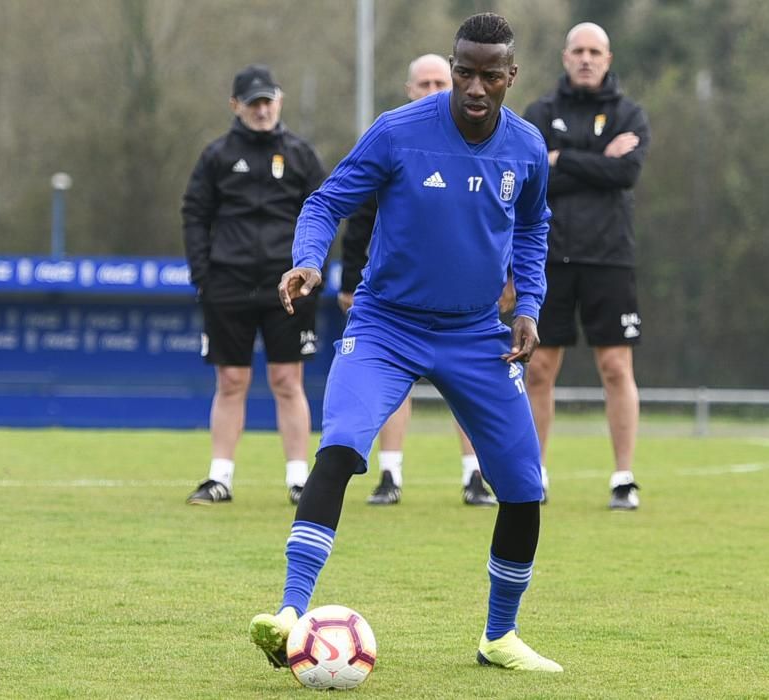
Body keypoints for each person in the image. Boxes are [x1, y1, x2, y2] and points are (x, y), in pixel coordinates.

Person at [249, 13, 562, 673]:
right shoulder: (398, 133)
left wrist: (528, 305)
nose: (475, 87)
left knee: (525, 488)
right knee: (338, 446)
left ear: (511, 77)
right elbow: (324, 204)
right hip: (386, 326)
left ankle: (498, 638)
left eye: (489, 74)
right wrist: (309, 260)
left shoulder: (528, 148)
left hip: (478, 335)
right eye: (464, 72)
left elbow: (534, 227)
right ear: (452, 69)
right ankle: (287, 614)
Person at [338, 53, 496, 508]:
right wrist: (351, 282)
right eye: (422, 83)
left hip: (464, 304)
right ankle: (390, 473)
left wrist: (509, 279)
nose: (431, 90)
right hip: (399, 303)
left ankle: (474, 476)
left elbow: (503, 224)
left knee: (468, 388)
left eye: (438, 82)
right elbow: (360, 217)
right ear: (409, 89)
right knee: (395, 387)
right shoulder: (393, 137)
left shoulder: (482, 144)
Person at [181, 64, 326, 506]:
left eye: (268, 101)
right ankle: (219, 477)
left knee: (287, 379)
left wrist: (312, 270)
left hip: (289, 287)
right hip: (229, 283)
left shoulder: (301, 155)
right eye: (253, 103)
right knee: (231, 379)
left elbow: (323, 212)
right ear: (236, 106)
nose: (262, 110)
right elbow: (194, 214)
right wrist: (204, 274)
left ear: (279, 100)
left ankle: (300, 479)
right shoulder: (217, 156)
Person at [522, 23, 649, 510]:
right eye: (578, 50)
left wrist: (564, 161)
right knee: (540, 369)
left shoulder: (630, 113)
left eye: (595, 51)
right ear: (564, 56)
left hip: (610, 258)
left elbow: (627, 173)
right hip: (548, 258)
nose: (586, 58)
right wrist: (595, 162)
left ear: (609, 57)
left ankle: (622, 477)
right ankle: (534, 475)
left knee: (616, 367)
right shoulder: (539, 113)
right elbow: (534, 184)